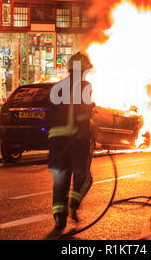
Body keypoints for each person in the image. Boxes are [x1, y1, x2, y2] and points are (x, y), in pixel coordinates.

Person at [46, 52, 95, 233]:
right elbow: (82, 114)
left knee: (60, 180)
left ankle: (59, 218)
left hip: (56, 142)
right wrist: (90, 124)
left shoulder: (57, 87)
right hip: (76, 140)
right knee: (84, 177)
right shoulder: (85, 86)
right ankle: (74, 202)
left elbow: (49, 115)